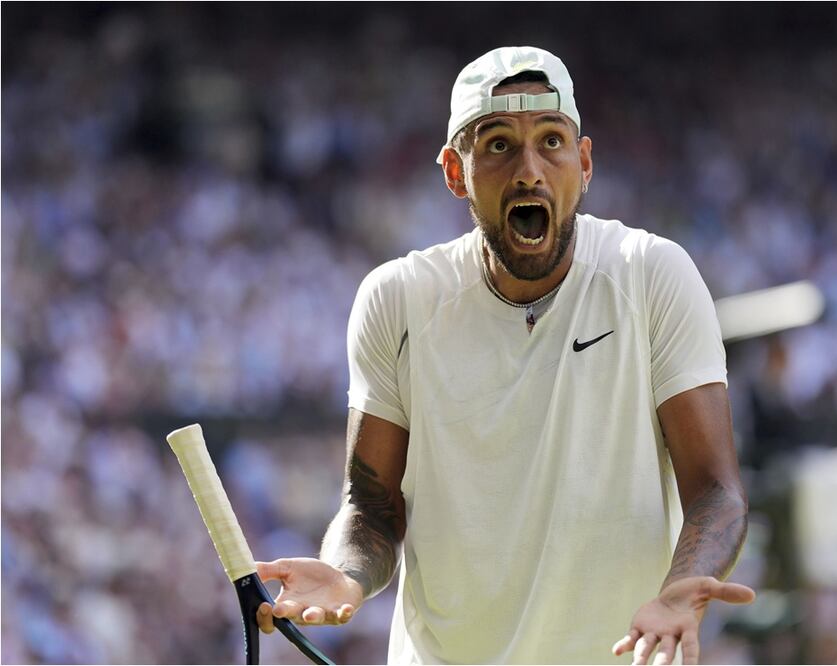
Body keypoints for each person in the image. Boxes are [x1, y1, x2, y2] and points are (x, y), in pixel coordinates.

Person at [254, 45, 754, 665]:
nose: (529, 170)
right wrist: (346, 573)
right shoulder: (399, 300)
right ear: (454, 172)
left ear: (584, 161)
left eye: (551, 141)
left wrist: (681, 590)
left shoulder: (653, 276)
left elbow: (716, 491)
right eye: (497, 145)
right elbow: (372, 508)